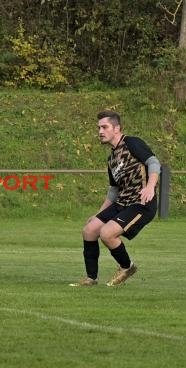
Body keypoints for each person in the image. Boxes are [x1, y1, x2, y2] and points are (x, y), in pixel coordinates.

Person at [73, 110, 160, 287]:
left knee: (107, 233)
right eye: (99, 127)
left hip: (141, 203)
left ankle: (127, 267)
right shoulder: (112, 157)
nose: (100, 131)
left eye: (104, 127)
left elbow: (154, 163)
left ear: (117, 128)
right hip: (122, 202)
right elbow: (114, 190)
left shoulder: (131, 142)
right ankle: (91, 278)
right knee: (89, 230)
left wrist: (150, 186)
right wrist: (99, 213)